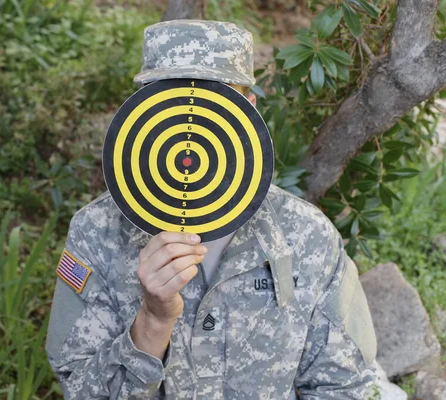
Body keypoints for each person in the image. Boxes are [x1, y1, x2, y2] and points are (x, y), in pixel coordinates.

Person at [46, 20, 378, 399]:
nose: (194, 125)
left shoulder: (307, 236)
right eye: (169, 98)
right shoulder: (97, 232)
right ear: (142, 111)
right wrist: (152, 322)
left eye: (216, 102)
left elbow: (345, 386)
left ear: (249, 109)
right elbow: (78, 387)